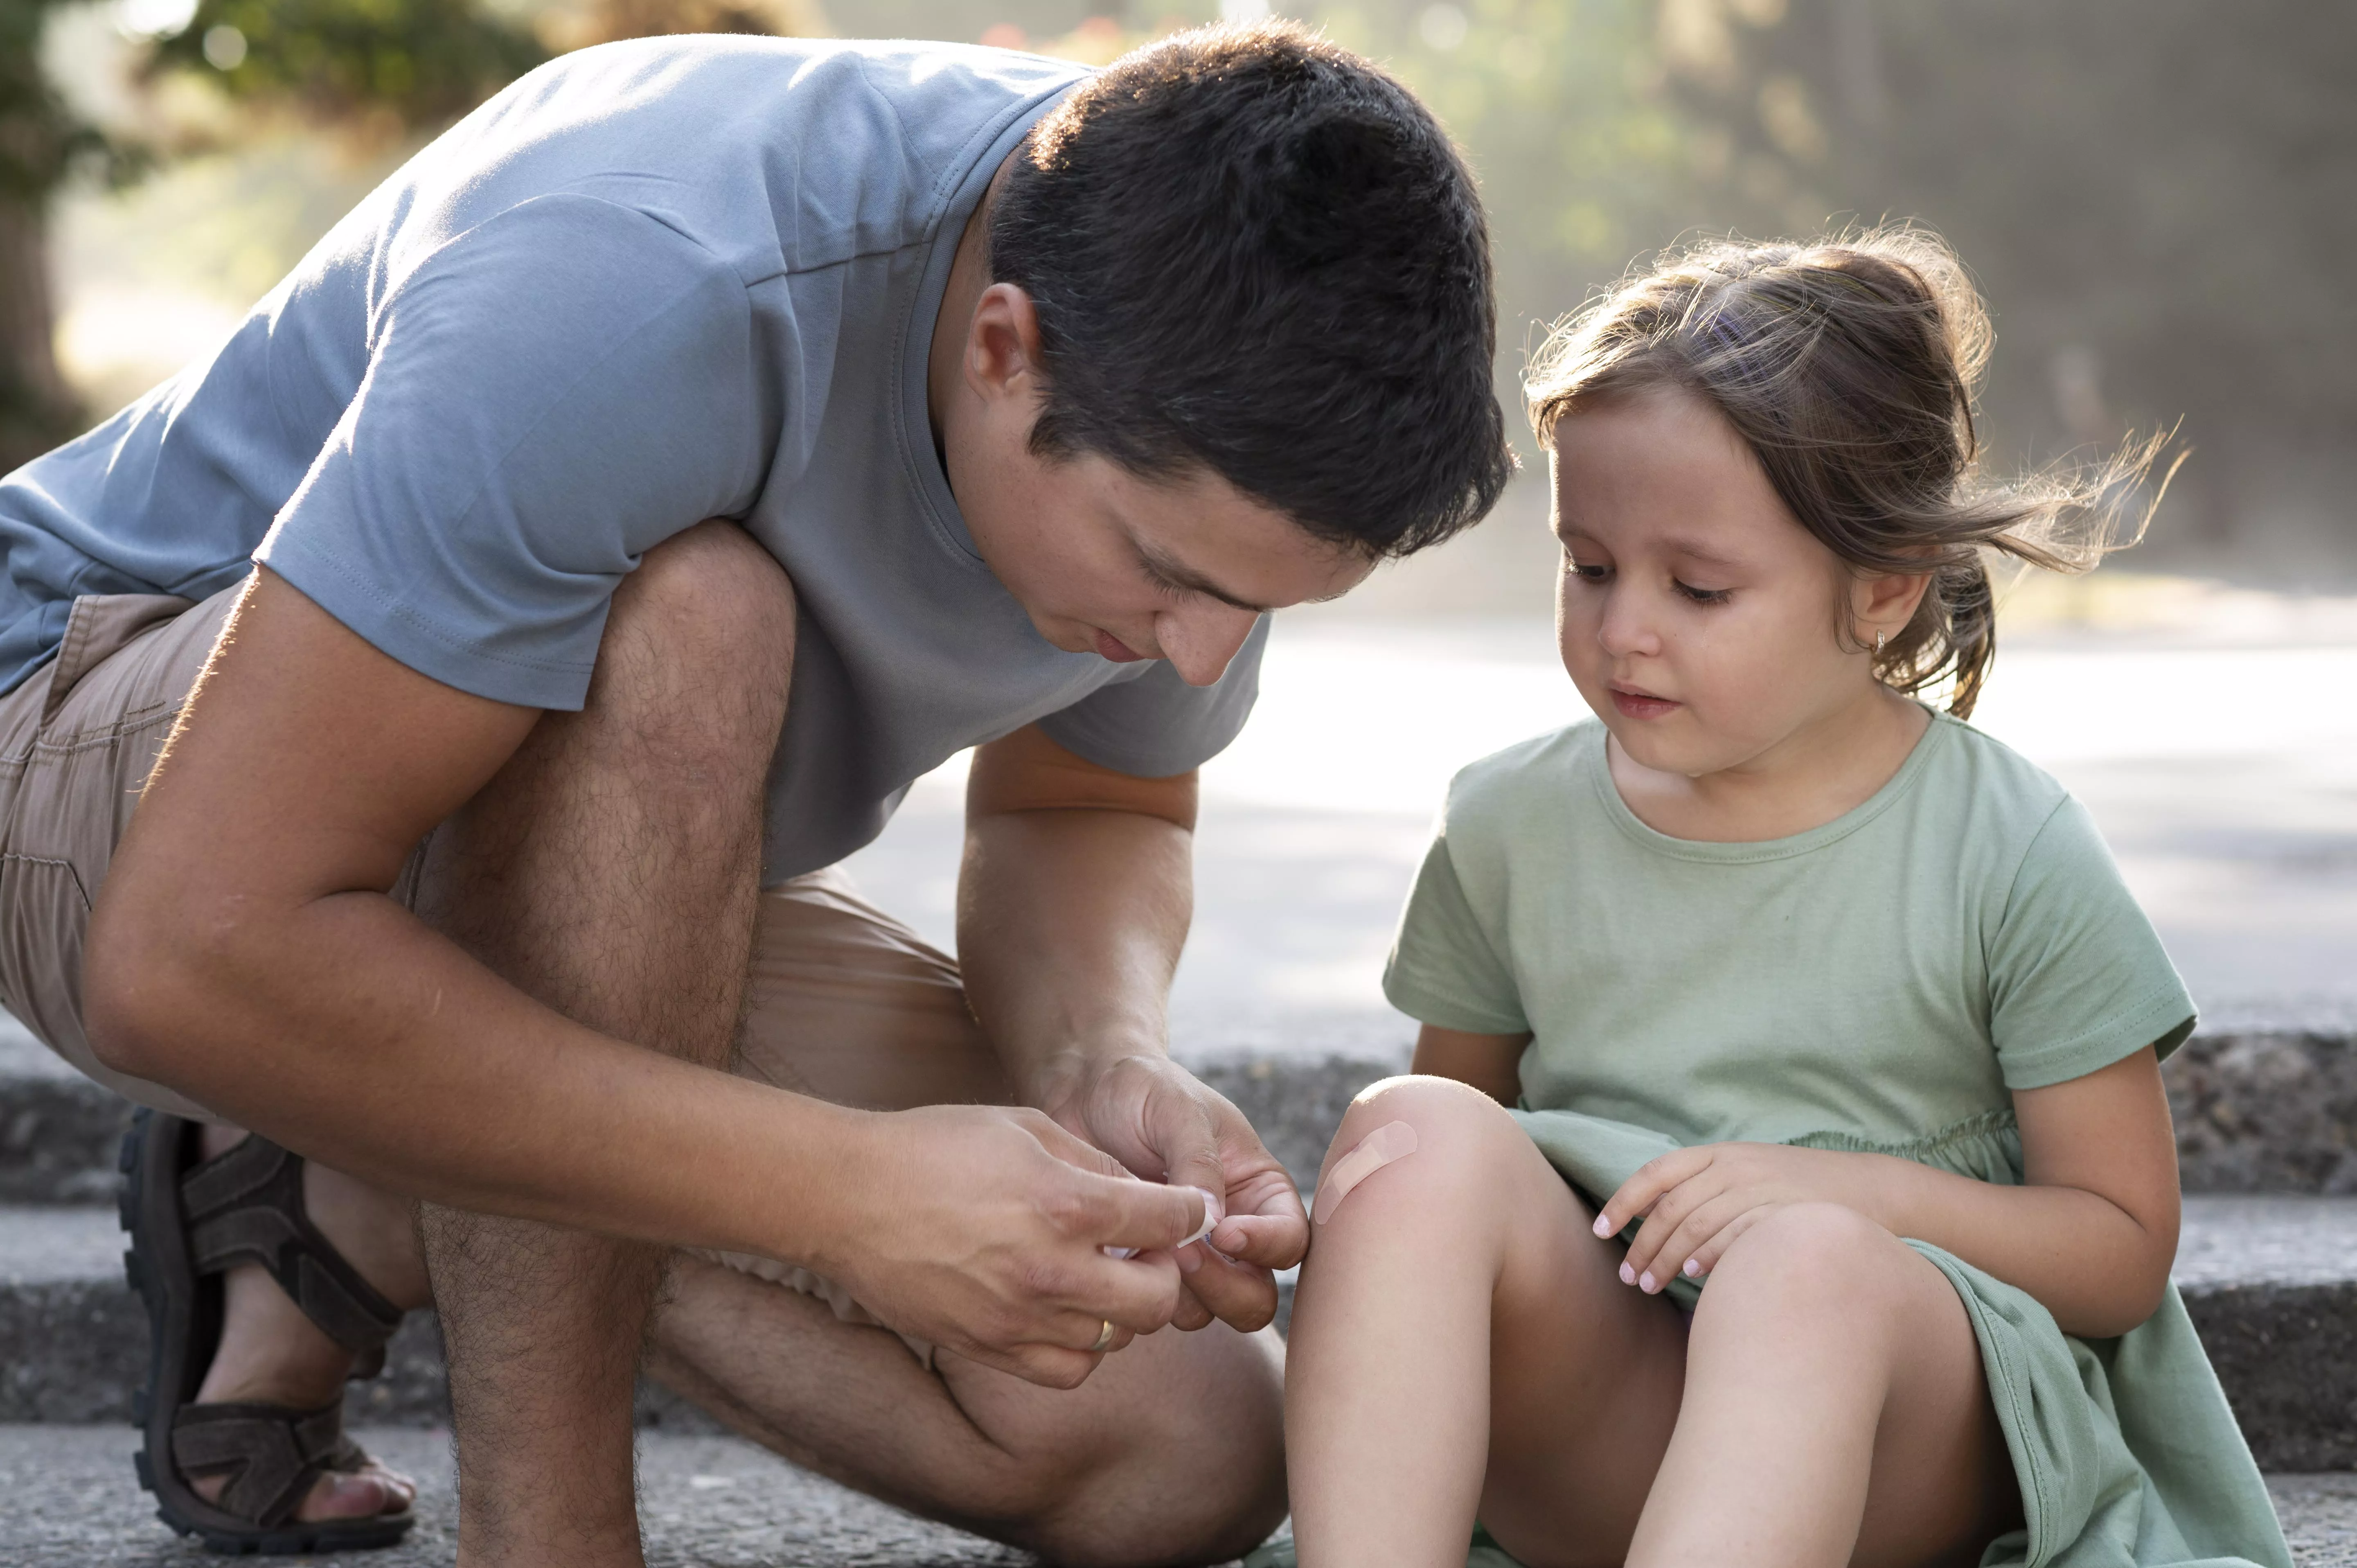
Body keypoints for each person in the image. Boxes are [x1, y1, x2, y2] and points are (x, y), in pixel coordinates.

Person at [0, 22, 1513, 1563]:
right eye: (1171, 578)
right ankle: (553, 1535)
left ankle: (348, 1176)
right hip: (118, 752)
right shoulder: (646, 282)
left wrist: (1096, 1056)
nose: (1201, 664)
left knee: (1182, 1450)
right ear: (1004, 347)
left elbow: (1088, 807)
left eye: (1262, 611)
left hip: (536, 871)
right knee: (693, 622)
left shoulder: (1200, 312)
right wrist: (836, 1194)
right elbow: (185, 957)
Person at [1266, 231, 2293, 1568]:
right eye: (1588, 568)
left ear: (1883, 586)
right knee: (1408, 1134)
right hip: (1618, 1423)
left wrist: (1838, 1197)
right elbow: (1471, 1170)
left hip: (1904, 1447)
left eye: (1698, 588)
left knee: (1802, 1266)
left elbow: (2116, 1251)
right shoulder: (1507, 825)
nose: (1625, 626)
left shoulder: (2009, 847)